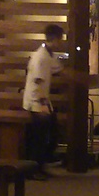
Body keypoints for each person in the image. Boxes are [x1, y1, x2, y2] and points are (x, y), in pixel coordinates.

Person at [22, 24, 64, 179]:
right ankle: (35, 169)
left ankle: (40, 165)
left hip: (40, 100)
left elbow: (59, 69)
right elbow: (38, 82)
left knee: (48, 132)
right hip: (36, 102)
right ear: (55, 39)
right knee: (39, 137)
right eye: (60, 39)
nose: (61, 42)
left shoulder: (48, 55)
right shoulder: (41, 57)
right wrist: (43, 104)